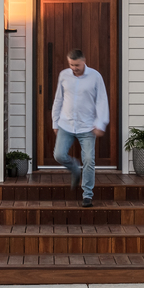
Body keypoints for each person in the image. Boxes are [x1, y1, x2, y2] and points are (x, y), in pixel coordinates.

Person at [50, 48, 109, 207]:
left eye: (77, 64)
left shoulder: (95, 76)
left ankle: (87, 195)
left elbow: (102, 100)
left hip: (88, 126)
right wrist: (55, 122)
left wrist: (100, 122)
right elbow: (58, 99)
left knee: (89, 160)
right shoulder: (64, 75)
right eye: (71, 65)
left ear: (83, 61)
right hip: (66, 124)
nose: (74, 68)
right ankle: (75, 168)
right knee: (59, 155)